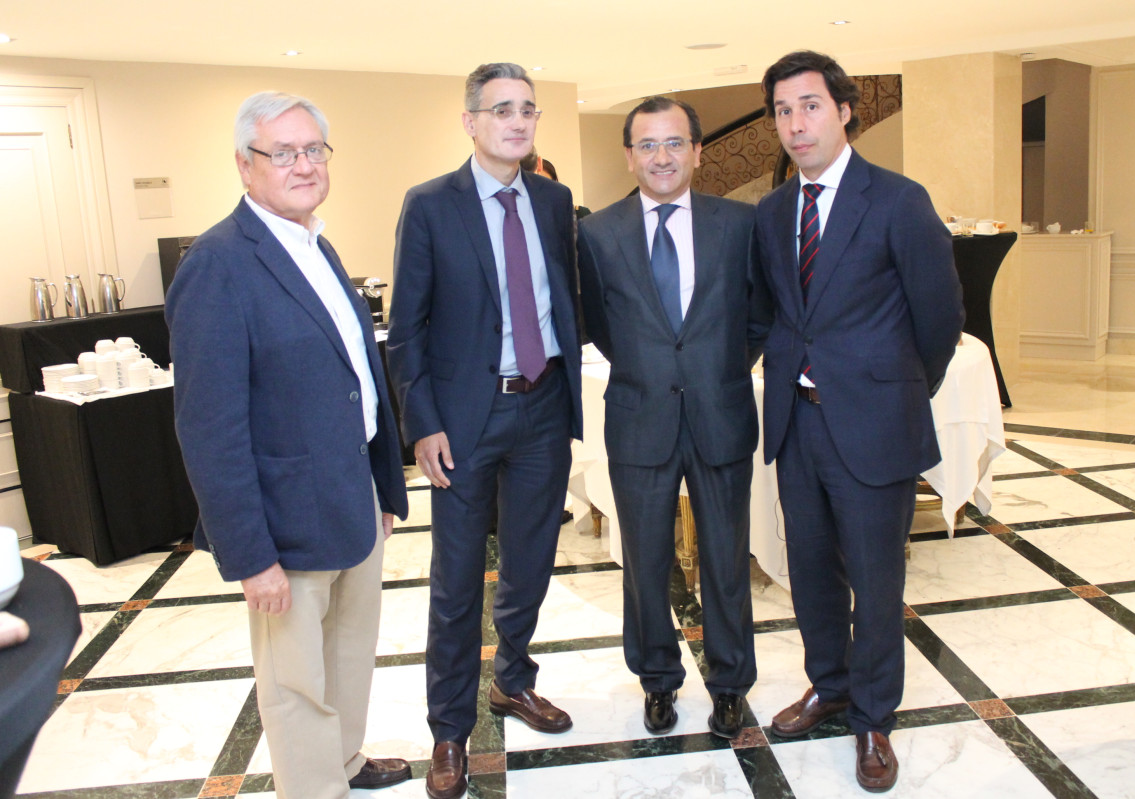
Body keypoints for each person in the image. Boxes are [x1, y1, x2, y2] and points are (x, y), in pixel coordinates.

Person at [166, 91, 411, 799]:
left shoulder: (315, 244)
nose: (304, 165)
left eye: (313, 150)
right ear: (245, 166)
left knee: (348, 654)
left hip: (352, 499)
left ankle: (344, 761)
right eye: (283, 153)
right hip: (285, 520)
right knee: (295, 680)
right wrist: (251, 556)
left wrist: (382, 488)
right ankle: (313, 787)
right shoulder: (217, 263)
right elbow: (209, 427)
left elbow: (355, 377)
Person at [755, 51, 963, 792]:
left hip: (875, 423)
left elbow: (940, 318)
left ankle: (873, 716)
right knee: (811, 572)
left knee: (876, 580)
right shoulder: (773, 211)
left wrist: (894, 390)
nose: (795, 123)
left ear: (844, 111)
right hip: (797, 423)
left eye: (810, 105)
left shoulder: (898, 200)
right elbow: (774, 312)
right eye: (783, 110)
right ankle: (830, 686)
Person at [387, 62, 583, 799]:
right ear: (470, 121)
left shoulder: (554, 200)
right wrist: (423, 424)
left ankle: (512, 680)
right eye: (502, 109)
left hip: (544, 406)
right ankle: (448, 730)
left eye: (528, 108)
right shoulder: (430, 205)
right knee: (457, 579)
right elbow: (407, 329)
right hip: (466, 420)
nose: (518, 121)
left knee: (531, 561)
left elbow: (566, 298)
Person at [577, 96, 769, 740]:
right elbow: (601, 325)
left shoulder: (740, 224)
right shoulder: (596, 234)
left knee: (725, 560)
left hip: (721, 413)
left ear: (698, 151)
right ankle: (657, 679)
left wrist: (717, 369)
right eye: (648, 145)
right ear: (629, 156)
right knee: (645, 562)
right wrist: (652, 368)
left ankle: (730, 683)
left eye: (675, 143)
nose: (662, 157)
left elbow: (759, 317)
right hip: (640, 418)